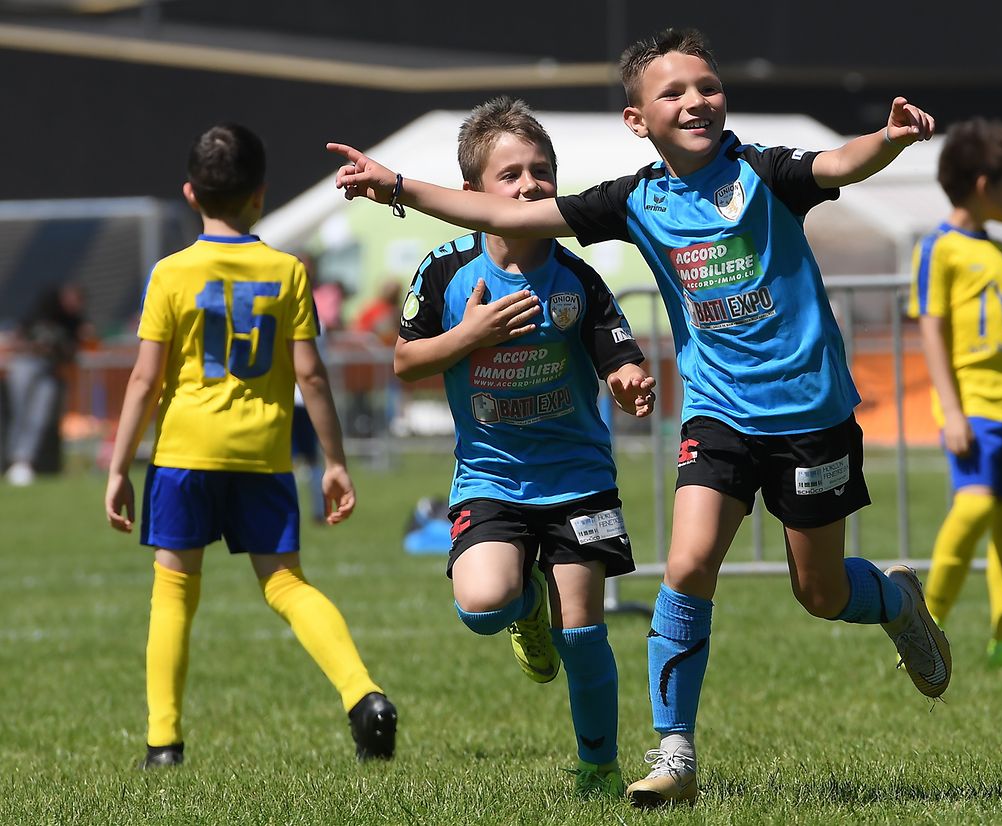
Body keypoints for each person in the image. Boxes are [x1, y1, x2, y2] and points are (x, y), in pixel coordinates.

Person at [329, 27, 950, 808]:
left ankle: (895, 600)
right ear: (638, 120)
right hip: (718, 416)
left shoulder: (763, 173)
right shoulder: (634, 200)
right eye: (674, 92)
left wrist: (888, 139)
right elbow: (502, 214)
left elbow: (837, 164)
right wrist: (396, 187)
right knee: (688, 567)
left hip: (810, 417)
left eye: (707, 87)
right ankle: (675, 757)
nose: (696, 101)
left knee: (819, 593)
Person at [104, 123, 397, 769]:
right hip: (263, 455)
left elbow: (146, 378)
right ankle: (363, 694)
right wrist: (336, 463)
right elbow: (312, 375)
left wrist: (119, 466)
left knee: (175, 589)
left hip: (184, 454)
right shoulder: (288, 272)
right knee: (287, 583)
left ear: (189, 193)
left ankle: (163, 743)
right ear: (261, 195)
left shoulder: (171, 273)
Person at [393, 97, 656, 798]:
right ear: (472, 194)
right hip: (491, 478)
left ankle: (599, 768)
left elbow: (619, 355)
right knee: (483, 605)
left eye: (541, 171)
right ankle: (523, 606)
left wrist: (629, 382)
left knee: (585, 637)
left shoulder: (577, 277)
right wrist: (470, 337)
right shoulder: (445, 271)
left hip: (576, 479)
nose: (529, 186)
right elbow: (406, 364)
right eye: (509, 175)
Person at [908, 117, 1002, 680]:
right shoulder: (939, 249)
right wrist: (953, 410)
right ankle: (922, 628)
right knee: (973, 510)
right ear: (981, 182)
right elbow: (931, 329)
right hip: (974, 407)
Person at [4, 284, 93, 485]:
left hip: (50, 370)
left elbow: (73, 351)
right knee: (20, 413)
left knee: (39, 417)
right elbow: (20, 336)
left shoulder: (73, 324)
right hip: (26, 364)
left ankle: (24, 462)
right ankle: (12, 461)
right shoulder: (41, 311)